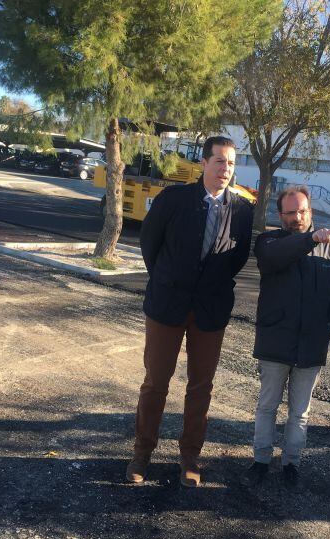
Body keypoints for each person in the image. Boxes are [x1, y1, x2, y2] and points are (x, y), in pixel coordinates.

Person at [125, 136, 254, 488]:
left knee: (201, 388)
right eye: (219, 162)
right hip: (167, 305)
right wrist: (168, 280)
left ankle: (190, 458)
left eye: (230, 163)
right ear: (203, 163)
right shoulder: (173, 200)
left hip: (210, 311)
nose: (225, 169)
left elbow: (237, 258)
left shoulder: (242, 210)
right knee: (155, 383)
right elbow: (150, 244)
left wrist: (209, 286)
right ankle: (141, 453)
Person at [240, 186, 330, 490]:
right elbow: (273, 260)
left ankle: (292, 463)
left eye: (302, 211)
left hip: (311, 344)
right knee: (267, 406)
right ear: (280, 215)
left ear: (311, 212)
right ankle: (261, 460)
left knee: (300, 413)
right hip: (275, 341)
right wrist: (310, 239)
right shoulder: (269, 241)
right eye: (290, 213)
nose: (297, 217)